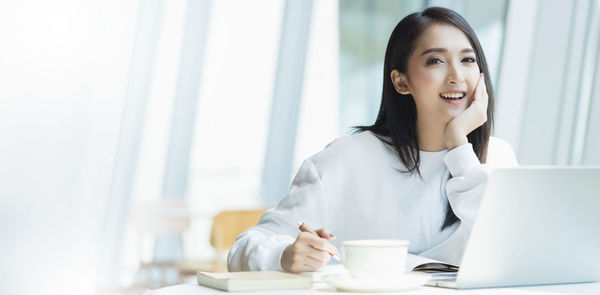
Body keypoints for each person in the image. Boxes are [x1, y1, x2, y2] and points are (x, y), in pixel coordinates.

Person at [227, 7, 517, 273]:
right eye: (436, 61)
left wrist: (458, 146)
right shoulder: (347, 158)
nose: (457, 76)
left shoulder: (497, 156)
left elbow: (511, 250)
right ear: (401, 81)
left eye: (468, 60)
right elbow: (243, 247)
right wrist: (284, 254)